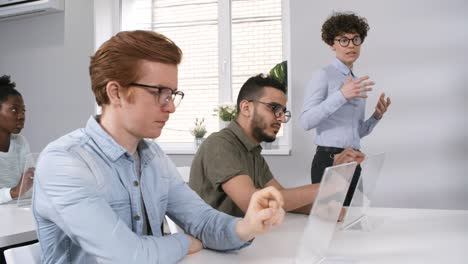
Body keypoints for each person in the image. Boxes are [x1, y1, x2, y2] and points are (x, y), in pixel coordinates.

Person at [32, 30, 285, 264]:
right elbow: (127, 256)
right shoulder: (63, 161)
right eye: (159, 92)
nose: (171, 106)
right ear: (115, 93)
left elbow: (202, 221)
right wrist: (183, 242)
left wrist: (247, 226)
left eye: (172, 94)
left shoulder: (153, 157)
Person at [189, 74, 364, 217]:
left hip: (240, 240)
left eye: (282, 112)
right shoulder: (220, 144)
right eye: (274, 108)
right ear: (246, 108)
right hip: (211, 251)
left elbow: (279, 196)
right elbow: (253, 203)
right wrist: (327, 185)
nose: (280, 118)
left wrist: (322, 210)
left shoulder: (252, 152)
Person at [300, 12, 391, 206]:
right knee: (327, 224)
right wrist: (341, 95)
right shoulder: (323, 75)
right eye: (344, 39)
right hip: (329, 161)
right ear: (331, 44)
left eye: (355, 39)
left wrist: (375, 117)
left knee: (353, 221)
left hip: (353, 160)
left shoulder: (356, 82)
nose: (351, 45)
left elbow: (355, 133)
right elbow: (306, 121)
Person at [0, 75, 33, 205]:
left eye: (23, 111)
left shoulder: (20, 142)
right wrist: (14, 192)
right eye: (14, 110)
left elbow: (29, 189)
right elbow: (19, 192)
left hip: (19, 213)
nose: (21, 116)